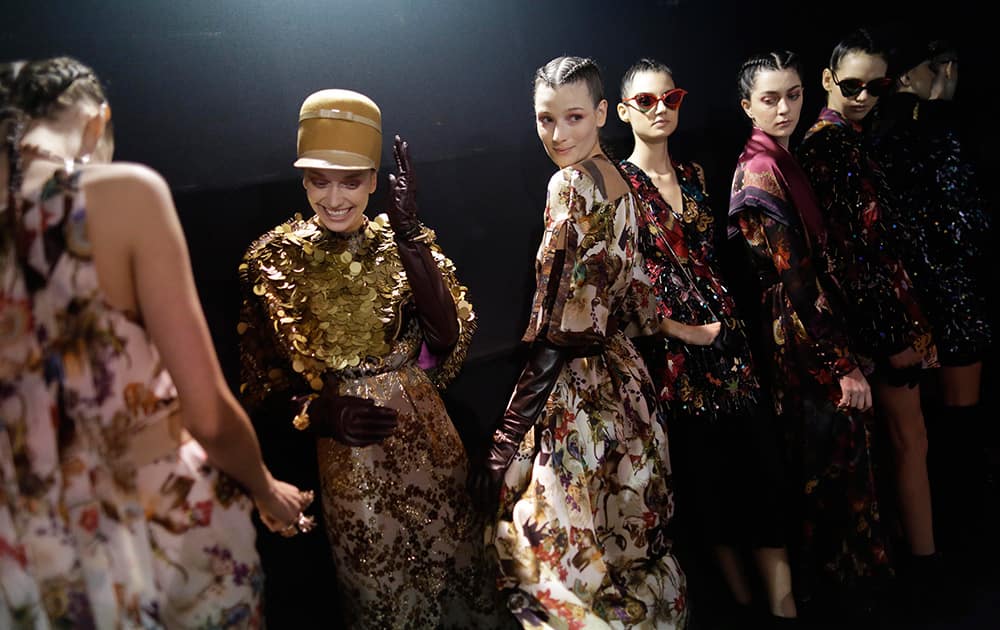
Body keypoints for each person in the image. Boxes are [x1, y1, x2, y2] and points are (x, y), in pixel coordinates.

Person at [0, 56, 310, 629]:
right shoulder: (122, 194)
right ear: (97, 123)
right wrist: (266, 489)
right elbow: (209, 414)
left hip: (27, 556)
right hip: (157, 531)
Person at [239, 88, 508, 629]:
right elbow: (259, 382)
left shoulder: (401, 242)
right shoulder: (270, 260)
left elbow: (448, 336)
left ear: (374, 179)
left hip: (428, 439)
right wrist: (320, 415)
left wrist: (408, 235)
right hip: (350, 461)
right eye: (319, 179)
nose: (335, 197)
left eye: (351, 180)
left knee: (463, 570)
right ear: (302, 180)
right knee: (381, 595)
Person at [470, 55, 688, 629]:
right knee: (622, 549)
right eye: (545, 120)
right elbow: (640, 300)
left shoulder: (568, 185)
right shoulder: (621, 180)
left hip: (578, 389)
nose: (558, 135)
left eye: (573, 117)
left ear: (598, 113)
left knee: (541, 559)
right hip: (626, 385)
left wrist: (508, 433)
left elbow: (564, 319)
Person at [617, 58, 796, 625]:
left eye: (669, 98)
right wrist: (679, 330)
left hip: (736, 354)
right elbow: (615, 289)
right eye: (646, 101)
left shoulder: (694, 174)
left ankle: (782, 609)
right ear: (622, 111)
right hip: (677, 367)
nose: (660, 109)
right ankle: (744, 610)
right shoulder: (618, 189)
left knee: (765, 483)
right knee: (711, 497)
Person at [729, 50, 892, 618]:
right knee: (825, 472)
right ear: (747, 104)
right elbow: (796, 280)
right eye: (770, 98)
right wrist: (841, 363)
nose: (784, 108)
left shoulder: (781, 158)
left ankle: (843, 594)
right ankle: (834, 600)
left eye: (793, 95)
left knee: (835, 471)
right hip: (800, 339)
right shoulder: (758, 168)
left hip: (811, 330)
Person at [796, 28, 941, 591]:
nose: (861, 95)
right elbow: (847, 254)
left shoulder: (850, 139)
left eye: (874, 85)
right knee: (909, 439)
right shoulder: (829, 146)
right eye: (849, 84)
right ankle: (925, 567)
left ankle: (915, 558)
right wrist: (893, 331)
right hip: (874, 322)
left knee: (904, 441)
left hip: (883, 313)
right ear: (828, 80)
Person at [868, 34, 993, 561]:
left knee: (918, 436)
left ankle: (930, 541)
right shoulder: (936, 130)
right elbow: (967, 225)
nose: (950, 73)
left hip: (905, 301)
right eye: (942, 65)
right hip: (951, 297)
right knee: (957, 427)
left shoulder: (875, 133)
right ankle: (964, 541)